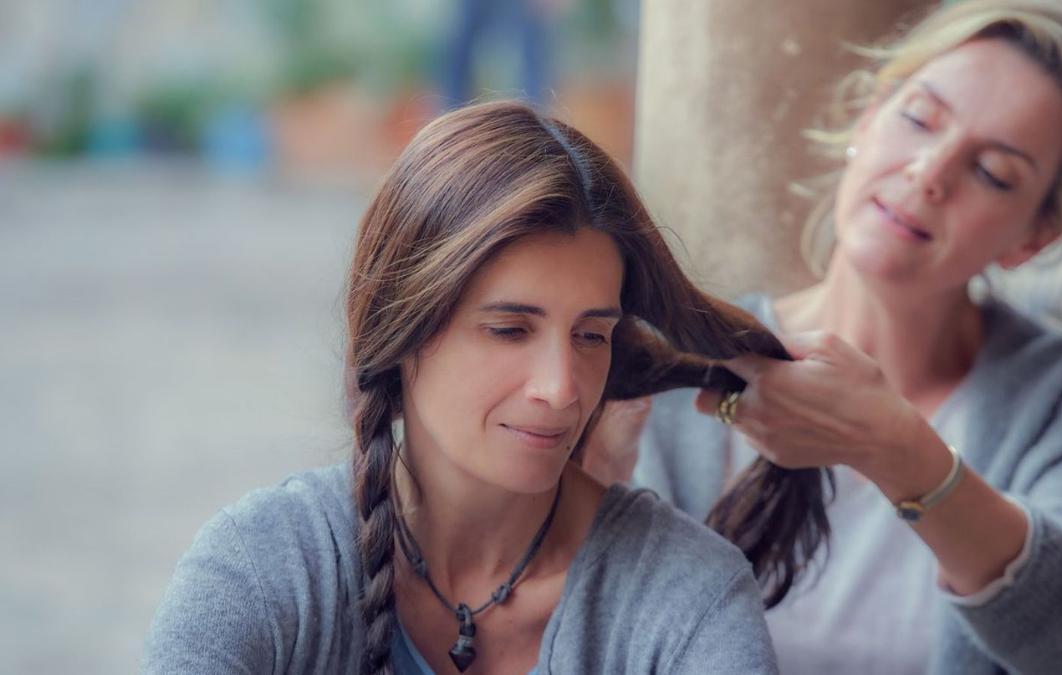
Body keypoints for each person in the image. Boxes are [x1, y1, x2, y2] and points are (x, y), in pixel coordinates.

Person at [141, 101, 830, 675]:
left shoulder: (687, 598)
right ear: (403, 326)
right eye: (509, 329)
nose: (561, 388)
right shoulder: (264, 568)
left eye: (590, 335)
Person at [591, 1, 1062, 673]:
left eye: (994, 172)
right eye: (919, 118)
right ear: (867, 117)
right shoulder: (681, 355)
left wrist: (896, 449)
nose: (929, 173)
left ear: (1033, 238)